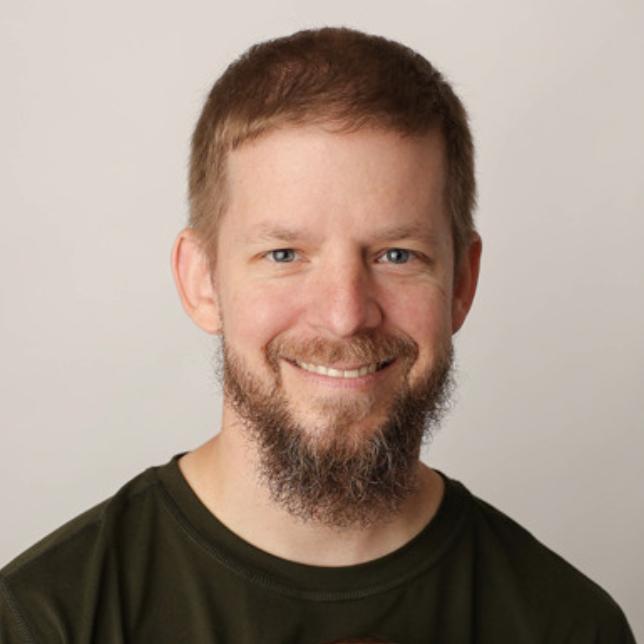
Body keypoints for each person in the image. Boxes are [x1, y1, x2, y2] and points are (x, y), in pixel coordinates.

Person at [0, 26, 635, 644]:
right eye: (284, 254)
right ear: (202, 281)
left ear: (462, 283)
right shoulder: (43, 621)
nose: (344, 315)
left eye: (397, 255)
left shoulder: (569, 626)